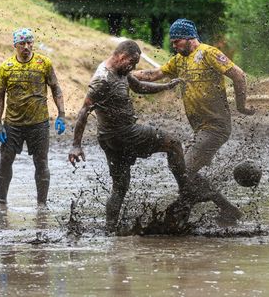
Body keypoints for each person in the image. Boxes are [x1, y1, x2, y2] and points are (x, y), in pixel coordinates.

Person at [133, 18, 255, 226]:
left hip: (216, 127)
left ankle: (202, 210)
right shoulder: (179, 60)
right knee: (177, 166)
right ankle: (212, 209)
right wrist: (124, 74)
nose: (174, 45)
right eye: (172, 42)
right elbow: (154, 74)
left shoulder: (209, 53)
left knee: (185, 170)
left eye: (177, 41)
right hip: (200, 129)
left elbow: (239, 75)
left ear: (190, 38)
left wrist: (241, 106)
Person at [68, 40, 190, 233]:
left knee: (120, 187)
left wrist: (166, 86)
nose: (133, 67)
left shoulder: (121, 71)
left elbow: (139, 86)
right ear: (121, 56)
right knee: (173, 143)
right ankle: (186, 191)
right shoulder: (102, 79)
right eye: (131, 63)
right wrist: (76, 145)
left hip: (109, 138)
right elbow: (84, 111)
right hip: (124, 134)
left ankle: (110, 230)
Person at [0, 28, 66, 206]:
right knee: (5, 161)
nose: (26, 47)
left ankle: (41, 205)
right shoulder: (6, 67)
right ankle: (1, 202)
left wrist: (61, 114)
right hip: (13, 124)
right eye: (22, 43)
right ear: (15, 45)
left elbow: (56, 88)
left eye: (29, 43)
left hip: (39, 123)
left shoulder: (44, 63)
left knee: (41, 162)